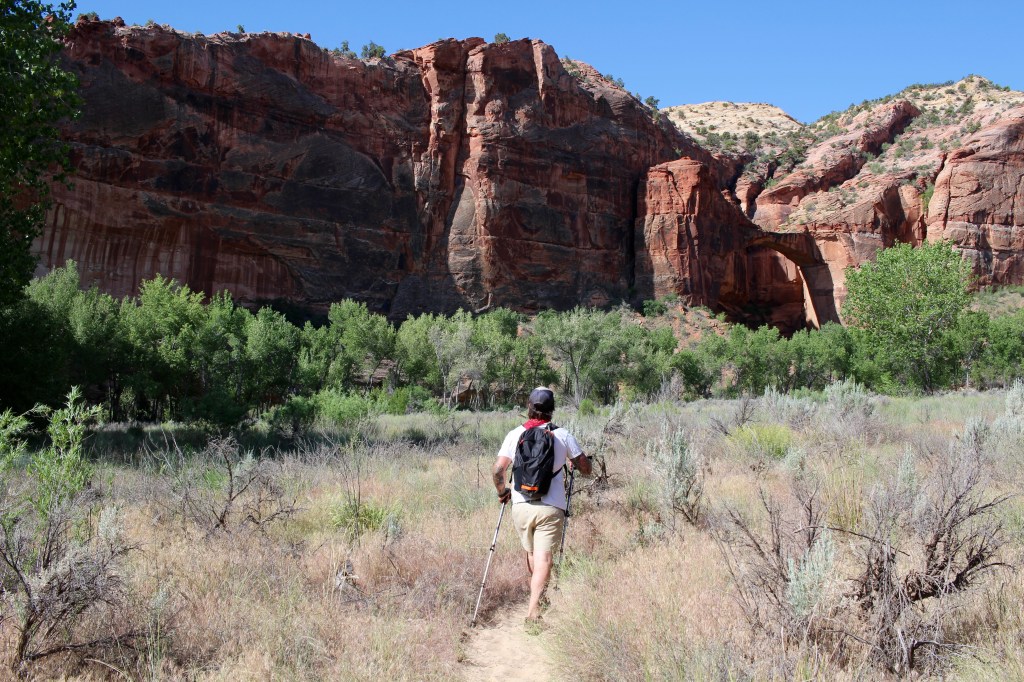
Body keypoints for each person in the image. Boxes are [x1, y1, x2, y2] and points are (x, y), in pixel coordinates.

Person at [492, 386, 591, 625]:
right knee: (544, 558)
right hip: (551, 506)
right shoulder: (562, 435)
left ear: (529, 407)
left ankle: (538, 597)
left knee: (532, 554)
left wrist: (502, 491)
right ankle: (533, 611)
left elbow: (498, 470)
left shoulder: (515, 434)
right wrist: (582, 462)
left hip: (521, 505)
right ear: (552, 410)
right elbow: (585, 470)